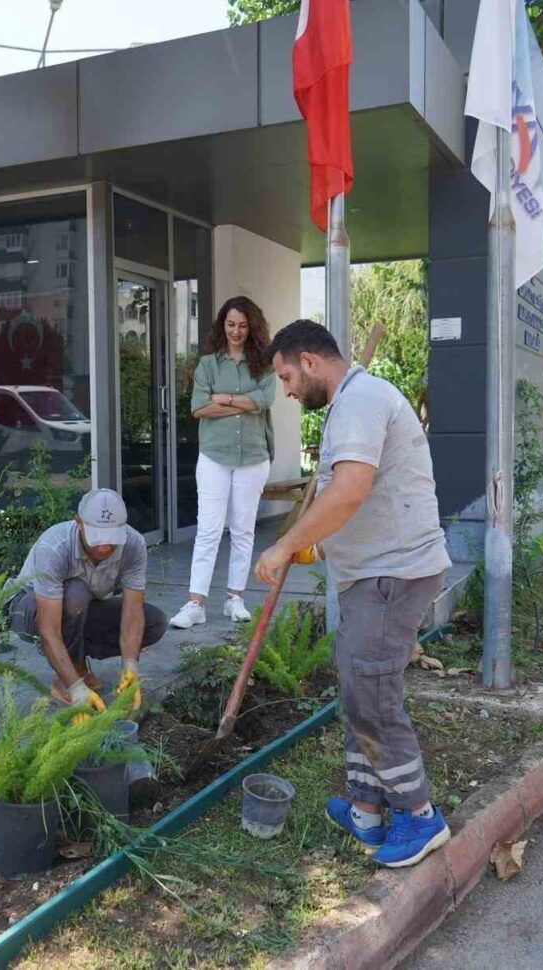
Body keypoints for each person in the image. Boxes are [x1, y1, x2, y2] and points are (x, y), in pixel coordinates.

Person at [254, 319, 453, 868]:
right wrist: (320, 548)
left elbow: (348, 490)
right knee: (357, 687)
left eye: (287, 376)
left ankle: (417, 816)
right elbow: (360, 499)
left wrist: (284, 546)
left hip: (391, 576)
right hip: (375, 572)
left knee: (372, 696)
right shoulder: (353, 403)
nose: (288, 391)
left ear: (310, 361)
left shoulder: (361, 400)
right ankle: (367, 808)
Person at [6, 488, 168, 716]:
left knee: (154, 621)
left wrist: (130, 665)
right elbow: (48, 629)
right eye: (97, 539)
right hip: (29, 610)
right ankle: (68, 675)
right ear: (78, 523)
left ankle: (76, 662)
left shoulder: (133, 544)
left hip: (81, 609)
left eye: (111, 539)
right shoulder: (55, 546)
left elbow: (132, 612)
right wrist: (74, 687)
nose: (104, 548)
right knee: (76, 591)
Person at [169, 296, 278, 630]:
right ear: (222, 325)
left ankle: (235, 599)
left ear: (252, 327)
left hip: (253, 456)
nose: (236, 331)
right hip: (215, 456)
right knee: (209, 530)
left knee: (243, 529)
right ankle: (195, 604)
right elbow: (199, 408)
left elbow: (265, 400)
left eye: (243, 325)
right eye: (231, 324)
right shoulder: (207, 365)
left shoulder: (265, 363)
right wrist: (243, 404)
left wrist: (225, 399)